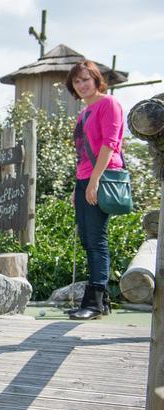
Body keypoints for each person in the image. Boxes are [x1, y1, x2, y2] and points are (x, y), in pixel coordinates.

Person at [65, 60, 125, 320]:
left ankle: (94, 303)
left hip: (102, 176)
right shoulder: (84, 112)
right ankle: (101, 301)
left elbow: (110, 144)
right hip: (85, 178)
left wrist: (94, 180)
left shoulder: (108, 104)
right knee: (88, 240)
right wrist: (78, 185)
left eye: (86, 79)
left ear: (97, 80)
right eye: (76, 82)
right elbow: (83, 152)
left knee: (96, 240)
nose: (81, 85)